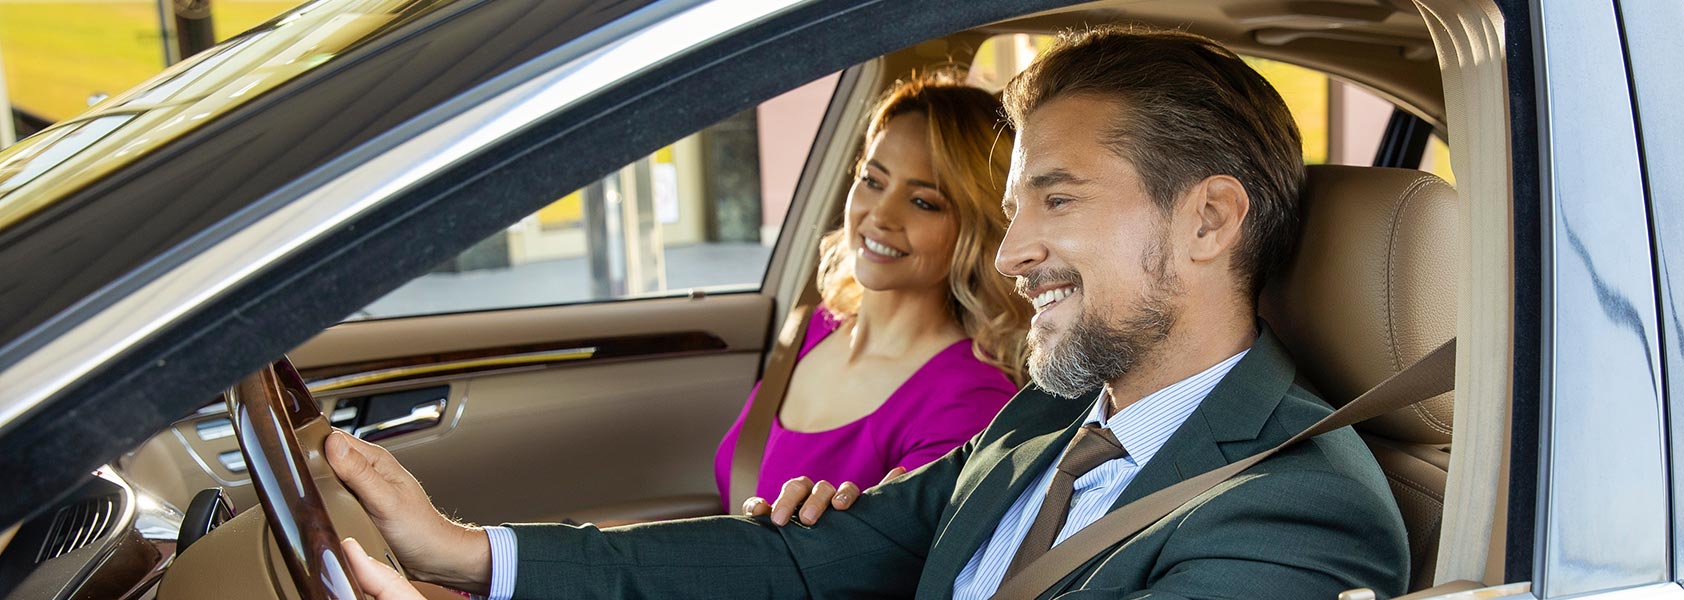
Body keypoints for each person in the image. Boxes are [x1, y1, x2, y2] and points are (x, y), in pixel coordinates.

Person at [328, 26, 1410, 600]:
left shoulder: (1299, 512)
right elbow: (803, 562)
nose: (1016, 247)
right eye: (1018, 199)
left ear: (1212, 219)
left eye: (1059, 198)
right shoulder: (1044, 422)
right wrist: (478, 558)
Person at [713, 71, 1030, 517]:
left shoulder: (969, 402)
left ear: (974, 228)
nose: (880, 214)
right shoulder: (816, 325)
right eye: (872, 180)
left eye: (923, 201)